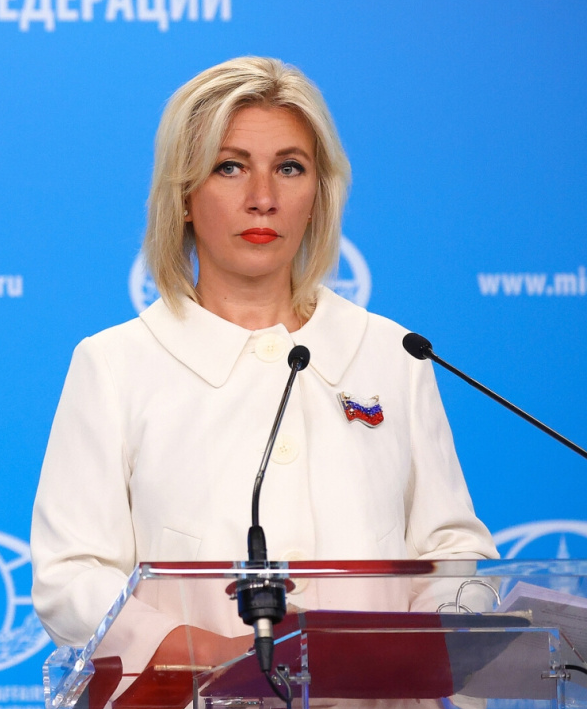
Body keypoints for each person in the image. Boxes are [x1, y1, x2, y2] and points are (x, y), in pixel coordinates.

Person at [30, 56, 497, 669]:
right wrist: (219, 658)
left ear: (319, 194)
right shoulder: (116, 365)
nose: (263, 199)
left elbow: (449, 547)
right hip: (199, 701)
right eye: (230, 167)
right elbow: (71, 577)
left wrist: (417, 651)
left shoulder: (393, 353)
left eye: (289, 168)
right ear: (184, 195)